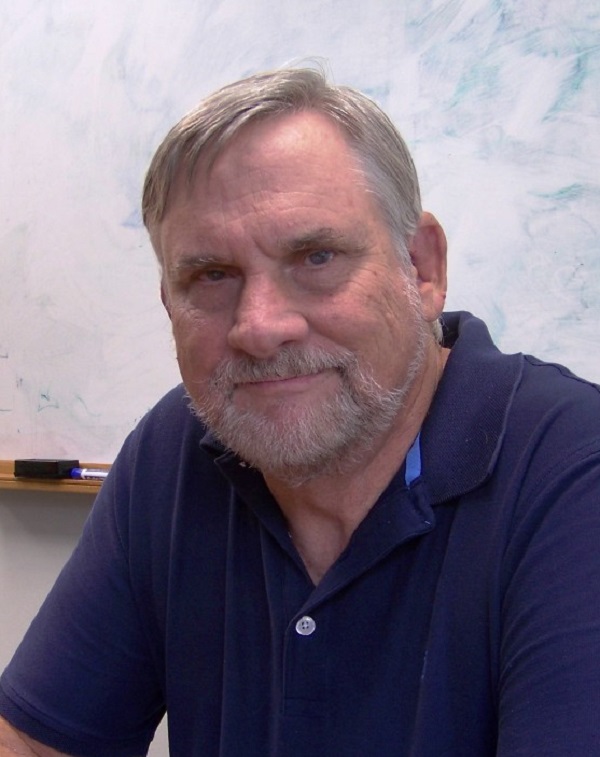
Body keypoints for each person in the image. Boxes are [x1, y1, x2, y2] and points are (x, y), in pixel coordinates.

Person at [0, 67, 599, 757]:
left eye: (316, 257)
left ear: (421, 268)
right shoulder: (177, 448)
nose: (259, 327)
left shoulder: (571, 470)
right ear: (169, 302)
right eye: (212, 275)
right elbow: (36, 743)